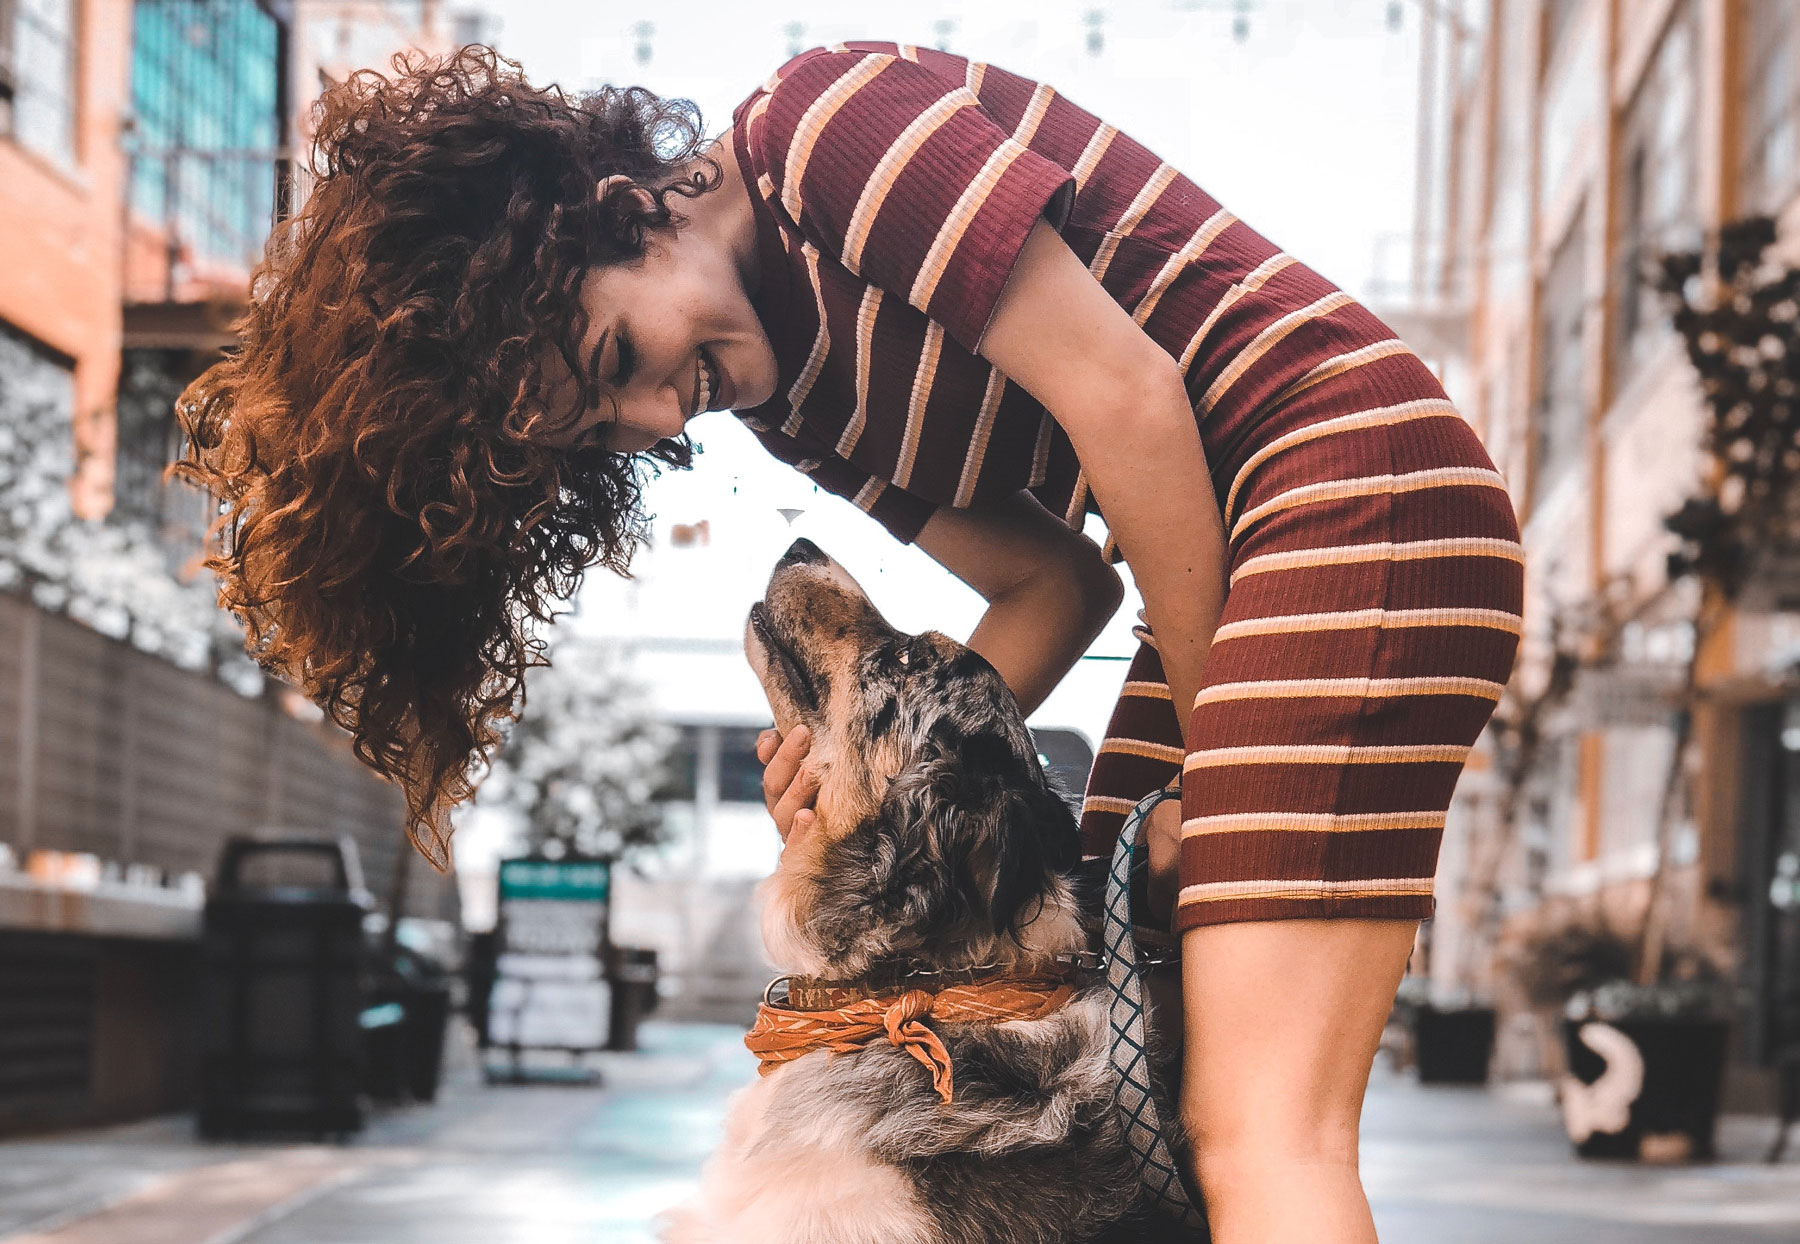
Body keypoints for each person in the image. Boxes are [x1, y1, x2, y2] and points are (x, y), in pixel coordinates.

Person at [176, 42, 1522, 1243]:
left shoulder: (832, 137)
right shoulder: (789, 395)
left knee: (1259, 1136)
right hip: (1230, 558)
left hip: (1353, 498)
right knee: (1142, 1113)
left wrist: (1211, 779)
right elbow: (1057, 587)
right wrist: (863, 760)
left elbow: (1133, 400)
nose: (653, 417)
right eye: (602, 431)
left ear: (612, 209)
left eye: (615, 361)